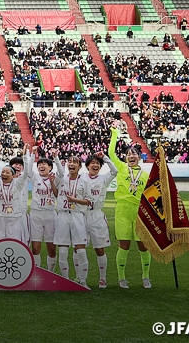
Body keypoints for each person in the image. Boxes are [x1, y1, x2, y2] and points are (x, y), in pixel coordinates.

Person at [109, 123, 152, 289]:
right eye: (128, 154)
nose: (131, 155)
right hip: (122, 211)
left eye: (134, 153)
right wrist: (115, 133)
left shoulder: (146, 175)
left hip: (140, 212)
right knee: (124, 245)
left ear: (139, 157)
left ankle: (146, 277)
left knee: (143, 246)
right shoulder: (121, 168)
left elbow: (151, 196)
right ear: (125, 158)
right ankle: (121, 278)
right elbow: (111, 153)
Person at [52, 152, 91, 287]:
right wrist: (52, 182)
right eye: (70, 161)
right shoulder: (62, 178)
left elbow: (89, 201)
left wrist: (75, 200)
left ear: (80, 166)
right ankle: (66, 281)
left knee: (80, 249)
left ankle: (83, 281)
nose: (71, 164)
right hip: (62, 215)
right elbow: (57, 194)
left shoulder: (84, 181)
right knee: (63, 250)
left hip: (77, 215)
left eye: (75, 162)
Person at [83, 152, 118, 288]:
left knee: (99, 249)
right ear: (87, 166)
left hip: (97, 216)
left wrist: (105, 158)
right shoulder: (81, 178)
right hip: (82, 215)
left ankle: (103, 278)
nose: (95, 165)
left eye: (98, 163)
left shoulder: (104, 179)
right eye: (93, 163)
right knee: (79, 248)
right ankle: (81, 278)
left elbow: (114, 171)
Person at [0, 142, 31, 243]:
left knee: (14, 244)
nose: (4, 174)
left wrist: (25, 156)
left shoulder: (17, 185)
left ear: (13, 175)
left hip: (14, 218)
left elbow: (26, 173)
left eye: (7, 172)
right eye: (3, 172)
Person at [29, 149, 58, 271]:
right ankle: (37, 272)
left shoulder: (55, 178)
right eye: (39, 164)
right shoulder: (34, 177)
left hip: (50, 214)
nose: (41, 166)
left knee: (51, 247)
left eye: (44, 164)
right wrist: (32, 154)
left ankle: (50, 272)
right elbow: (28, 169)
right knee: (35, 247)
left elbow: (57, 194)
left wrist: (56, 157)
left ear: (50, 167)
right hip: (36, 214)